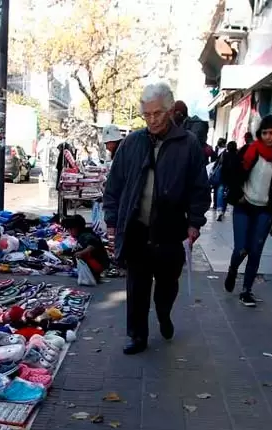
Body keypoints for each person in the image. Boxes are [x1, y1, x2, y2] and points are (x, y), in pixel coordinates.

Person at [103, 82, 210, 355]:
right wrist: (112, 220)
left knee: (167, 285)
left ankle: (164, 314)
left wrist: (194, 222)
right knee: (137, 285)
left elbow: (200, 188)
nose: (151, 120)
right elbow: (114, 186)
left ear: (171, 111)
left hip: (171, 230)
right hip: (138, 227)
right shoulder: (132, 143)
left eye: (157, 114)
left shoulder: (188, 145)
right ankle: (137, 335)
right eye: (147, 115)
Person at [223, 115, 272, 307]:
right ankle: (232, 269)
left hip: (265, 210)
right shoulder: (250, 150)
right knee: (241, 248)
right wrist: (236, 193)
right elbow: (231, 172)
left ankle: (246, 291)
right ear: (259, 133)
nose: (268, 137)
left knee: (255, 251)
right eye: (265, 133)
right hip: (244, 205)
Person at [63, 215, 110, 282]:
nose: (69, 232)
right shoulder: (82, 234)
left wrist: (81, 253)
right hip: (99, 263)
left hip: (98, 264)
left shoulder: (85, 235)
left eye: (70, 229)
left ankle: (93, 274)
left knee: (78, 255)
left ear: (76, 228)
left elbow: (93, 244)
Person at [213, 141, 239, 221]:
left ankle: (219, 210)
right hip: (233, 179)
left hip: (223, 177)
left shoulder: (224, 154)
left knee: (220, 192)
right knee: (226, 194)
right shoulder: (238, 156)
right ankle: (223, 211)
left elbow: (217, 164)